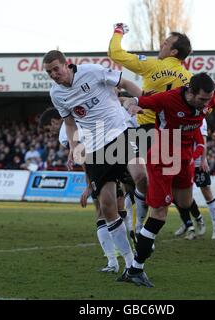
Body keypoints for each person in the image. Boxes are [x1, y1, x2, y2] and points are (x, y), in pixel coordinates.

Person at [120, 72, 215, 287]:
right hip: (163, 154)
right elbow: (132, 100)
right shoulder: (168, 98)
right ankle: (135, 268)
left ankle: (147, 216)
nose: (206, 104)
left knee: (183, 202)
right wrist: (132, 106)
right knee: (160, 214)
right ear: (190, 92)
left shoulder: (209, 97)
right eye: (202, 100)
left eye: (208, 100)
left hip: (184, 156)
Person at [43, 50, 148, 276]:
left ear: (66, 65)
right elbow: (70, 124)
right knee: (108, 206)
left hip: (120, 132)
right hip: (93, 147)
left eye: (55, 69)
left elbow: (126, 82)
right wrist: (73, 147)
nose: (53, 74)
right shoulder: (56, 94)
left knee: (141, 176)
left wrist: (144, 103)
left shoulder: (91, 71)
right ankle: (130, 263)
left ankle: (141, 226)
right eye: (49, 72)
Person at [109, 23, 205, 239]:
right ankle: (172, 223)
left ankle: (139, 227)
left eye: (165, 43)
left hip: (144, 129)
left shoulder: (153, 66)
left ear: (173, 51)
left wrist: (118, 31)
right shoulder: (189, 79)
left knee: (134, 179)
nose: (161, 45)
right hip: (171, 137)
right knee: (157, 185)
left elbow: (115, 53)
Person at [174, 118, 215, 240]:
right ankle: (188, 224)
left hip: (196, 161)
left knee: (206, 192)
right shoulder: (182, 114)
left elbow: (203, 140)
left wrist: (203, 159)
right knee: (179, 194)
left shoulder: (200, 119)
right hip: (182, 161)